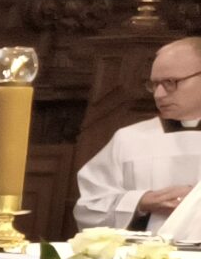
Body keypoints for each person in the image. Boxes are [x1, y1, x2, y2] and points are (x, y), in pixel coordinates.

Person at [75, 35, 201, 230]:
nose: (159, 94)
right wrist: (140, 202)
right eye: (154, 85)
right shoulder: (130, 139)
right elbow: (88, 208)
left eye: (170, 82)